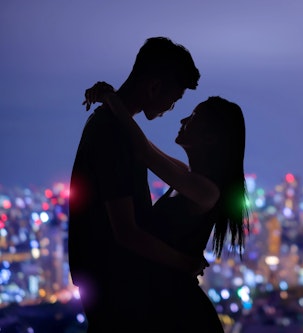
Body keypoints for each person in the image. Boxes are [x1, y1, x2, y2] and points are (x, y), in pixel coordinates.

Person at [83, 81, 249, 332]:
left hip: (180, 313)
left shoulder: (206, 190)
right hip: (165, 305)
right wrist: (114, 103)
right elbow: (145, 147)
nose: (184, 119)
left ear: (210, 137)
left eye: (194, 117)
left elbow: (145, 153)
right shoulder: (185, 178)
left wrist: (112, 99)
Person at [69, 37, 203, 333]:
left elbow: (145, 149)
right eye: (175, 98)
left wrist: (112, 99)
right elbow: (126, 232)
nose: (172, 108)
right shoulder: (113, 134)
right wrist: (184, 263)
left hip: (108, 279)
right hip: (116, 283)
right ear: (154, 87)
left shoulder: (111, 126)